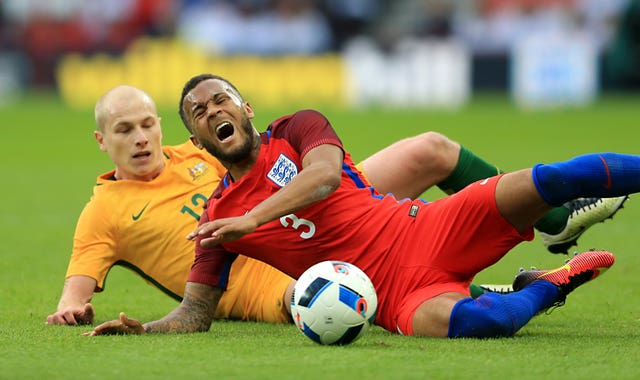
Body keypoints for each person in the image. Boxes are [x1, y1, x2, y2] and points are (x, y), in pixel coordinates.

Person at [85, 74, 637, 338]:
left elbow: (324, 178)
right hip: (394, 294)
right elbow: (195, 314)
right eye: (197, 112)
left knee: (561, 177)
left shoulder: (297, 128)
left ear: (246, 107)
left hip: (428, 226)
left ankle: (561, 221)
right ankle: (549, 284)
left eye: (220, 99)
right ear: (199, 141)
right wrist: (146, 331)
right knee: (481, 325)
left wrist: (252, 218)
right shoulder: (218, 221)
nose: (211, 110)